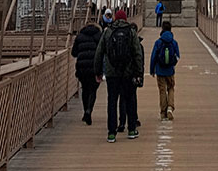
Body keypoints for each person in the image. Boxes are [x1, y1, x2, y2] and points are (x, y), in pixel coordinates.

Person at [94, 8, 144, 141]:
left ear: (115, 18)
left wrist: (98, 72)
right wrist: (139, 72)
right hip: (128, 73)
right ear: (126, 19)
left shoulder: (108, 32)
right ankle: (132, 130)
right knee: (130, 100)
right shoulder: (131, 32)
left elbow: (99, 53)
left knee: (112, 102)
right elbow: (137, 54)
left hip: (112, 73)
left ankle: (111, 133)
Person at [71, 18, 102, 125]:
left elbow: (74, 53)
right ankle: (89, 110)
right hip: (95, 67)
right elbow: (103, 51)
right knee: (93, 90)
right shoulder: (99, 35)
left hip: (82, 67)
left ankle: (85, 111)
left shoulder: (79, 36)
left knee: (85, 89)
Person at [149, 19, 180, 121]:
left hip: (160, 70)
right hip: (170, 71)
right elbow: (177, 56)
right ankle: (170, 107)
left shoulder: (158, 42)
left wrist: (152, 70)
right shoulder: (174, 42)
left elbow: (153, 57)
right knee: (171, 88)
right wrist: (172, 64)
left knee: (162, 90)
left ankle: (163, 112)